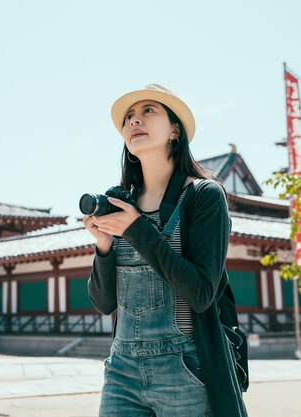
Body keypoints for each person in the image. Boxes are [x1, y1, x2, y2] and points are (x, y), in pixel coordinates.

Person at [84, 84, 247, 416]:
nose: (134, 121)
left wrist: (136, 230)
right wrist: (103, 247)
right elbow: (104, 303)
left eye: (148, 111)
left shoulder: (203, 196)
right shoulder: (121, 204)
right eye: (129, 117)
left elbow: (201, 293)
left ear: (175, 130)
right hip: (121, 367)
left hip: (184, 365)